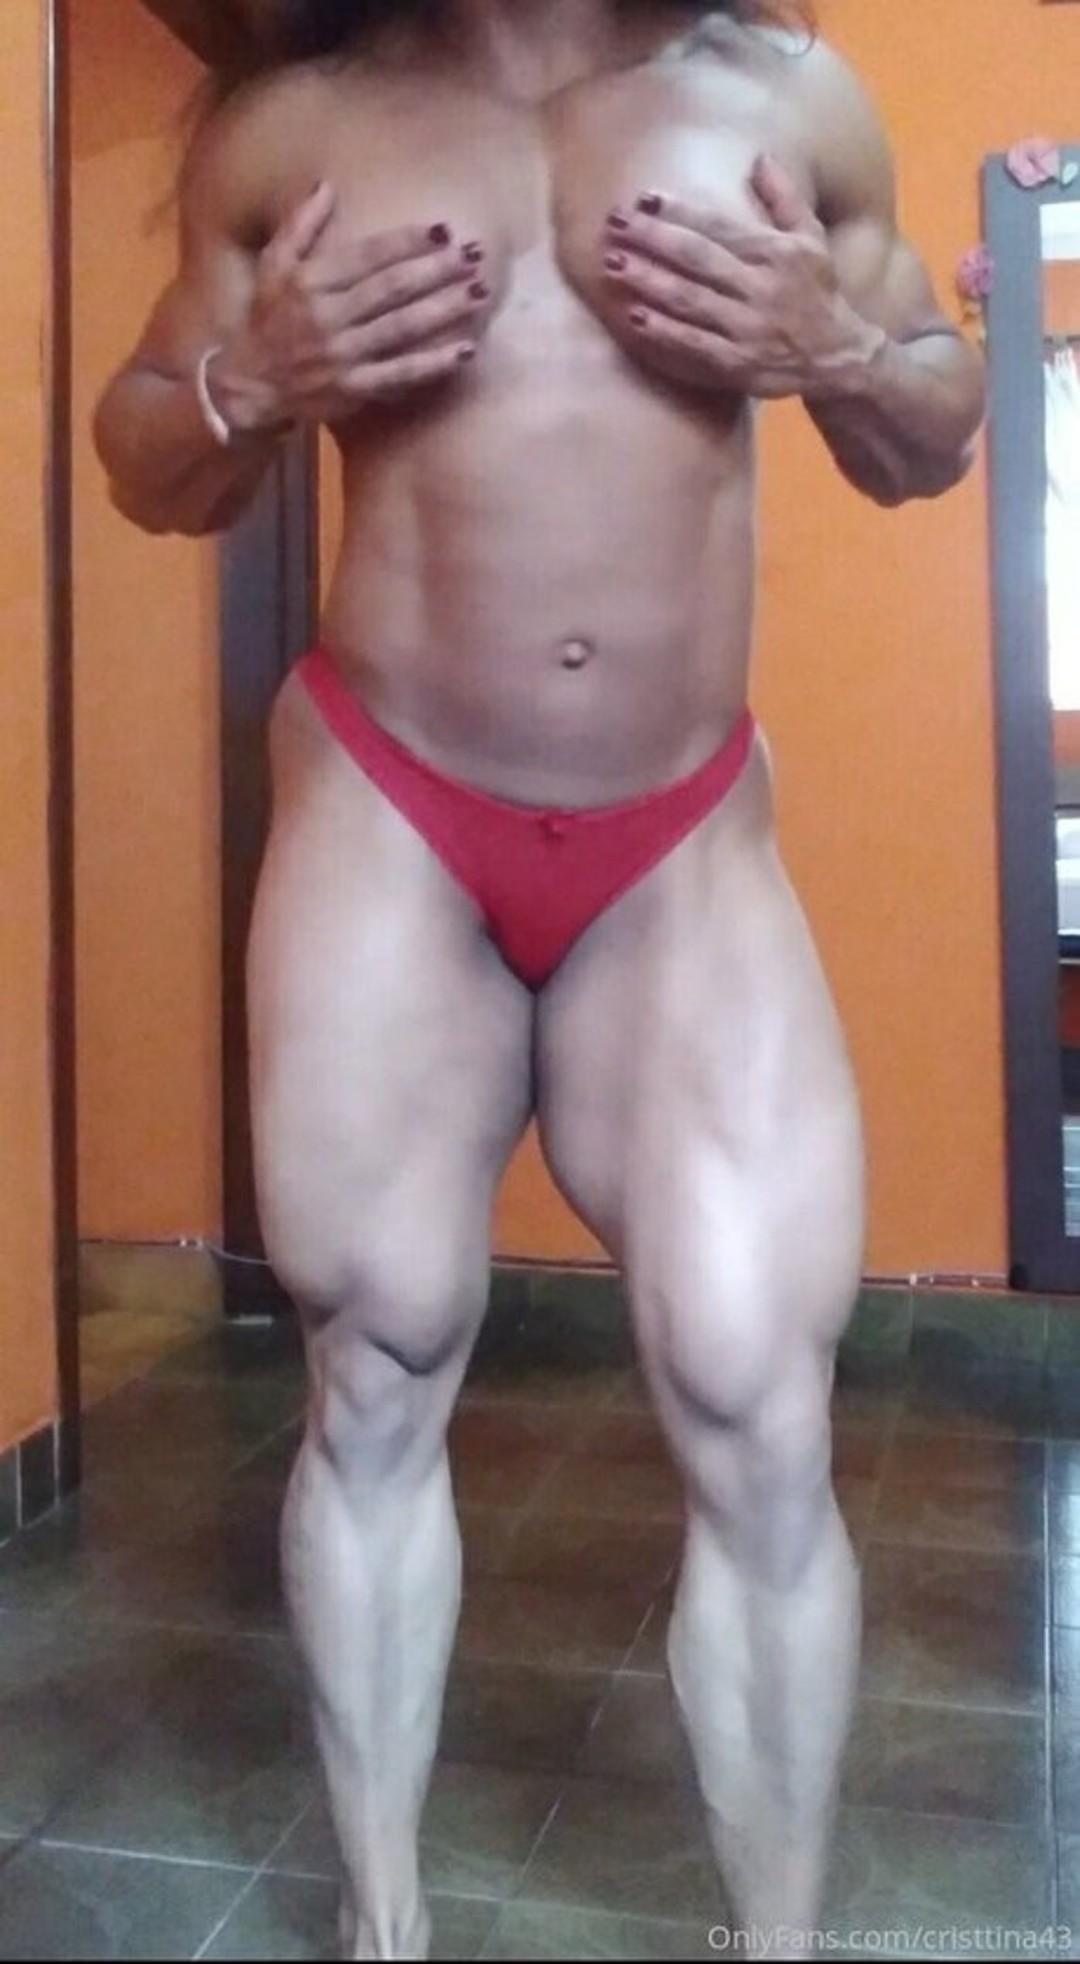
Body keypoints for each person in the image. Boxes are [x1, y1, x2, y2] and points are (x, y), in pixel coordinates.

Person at [94, 1, 985, 1955]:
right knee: (378, 1352)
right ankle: (385, 1924)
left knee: (759, 1396)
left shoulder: (779, 96)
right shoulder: (300, 122)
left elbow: (934, 426)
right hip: (392, 806)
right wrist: (252, 379)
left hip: (680, 833)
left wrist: (836, 352)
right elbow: (146, 458)